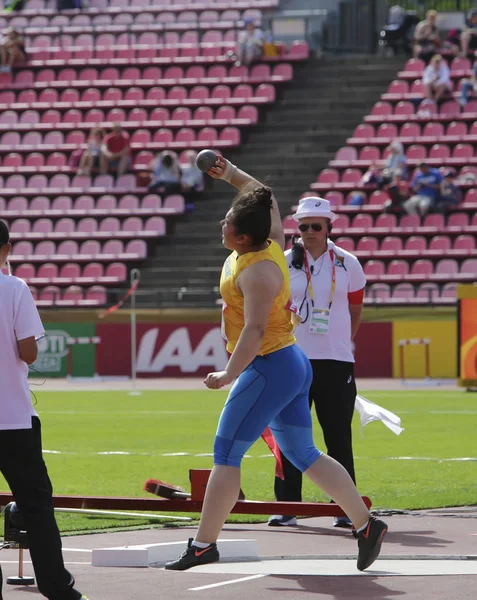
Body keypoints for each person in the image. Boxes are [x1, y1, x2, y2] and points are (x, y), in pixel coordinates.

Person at [164, 156, 388, 572]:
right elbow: (264, 196)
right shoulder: (267, 238)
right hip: (288, 361)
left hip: (269, 365)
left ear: (243, 236)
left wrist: (230, 373)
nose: (221, 225)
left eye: (228, 223)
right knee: (303, 452)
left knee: (226, 453)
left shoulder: (259, 273)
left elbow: (251, 332)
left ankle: (203, 545)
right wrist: (229, 173)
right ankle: (366, 525)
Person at [0, 220, 88, 600]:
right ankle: (56, 586)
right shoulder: (15, 288)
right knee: (36, 509)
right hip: (14, 418)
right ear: (7, 248)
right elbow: (28, 351)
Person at [268, 197, 366, 529]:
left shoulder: (348, 263)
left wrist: (339, 341)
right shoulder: (283, 262)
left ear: (328, 227)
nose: (308, 232)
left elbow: (355, 310)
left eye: (315, 226)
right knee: (288, 436)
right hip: (292, 359)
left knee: (338, 435)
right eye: (303, 226)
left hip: (336, 361)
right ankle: (287, 505)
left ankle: (343, 508)